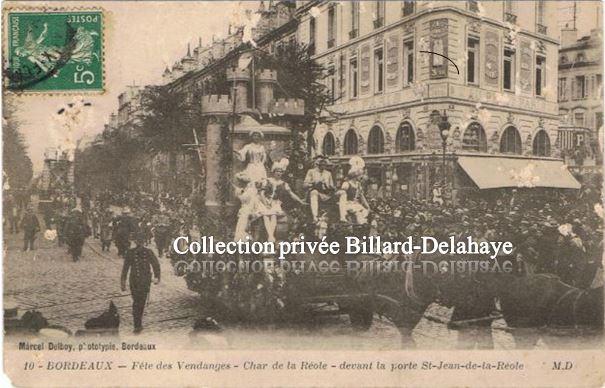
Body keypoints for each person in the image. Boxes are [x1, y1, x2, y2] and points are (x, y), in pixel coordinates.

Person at [120, 232, 161, 334]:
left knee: (140, 302)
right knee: (136, 302)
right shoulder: (130, 252)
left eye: (141, 241)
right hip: (135, 281)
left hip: (144, 281)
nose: (139, 243)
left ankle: (138, 324)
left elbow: (156, 265)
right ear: (135, 241)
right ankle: (137, 325)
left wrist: (157, 277)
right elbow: (125, 268)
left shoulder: (148, 252)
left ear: (143, 242)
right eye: (138, 241)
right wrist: (123, 282)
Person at [258, 159, 305, 242]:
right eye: (277, 171)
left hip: (275, 203)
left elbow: (291, 194)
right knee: (265, 215)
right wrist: (266, 203)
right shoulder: (267, 181)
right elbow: (261, 194)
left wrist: (300, 201)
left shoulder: (284, 184)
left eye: (281, 172)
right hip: (264, 201)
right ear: (273, 172)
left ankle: (270, 237)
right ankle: (271, 236)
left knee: (273, 215)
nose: (279, 173)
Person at [303, 155, 335, 223]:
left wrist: (329, 187)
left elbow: (331, 185)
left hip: (325, 193)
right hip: (314, 193)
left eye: (324, 165)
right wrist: (314, 183)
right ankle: (315, 216)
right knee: (314, 192)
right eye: (321, 165)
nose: (323, 167)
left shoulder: (328, 173)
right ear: (318, 164)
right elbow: (305, 185)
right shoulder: (311, 172)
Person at [337, 159, 370, 224]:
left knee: (365, 212)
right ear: (355, 175)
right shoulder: (347, 184)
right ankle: (359, 224)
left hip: (355, 204)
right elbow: (341, 195)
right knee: (358, 214)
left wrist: (368, 207)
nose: (361, 177)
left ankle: (362, 224)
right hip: (348, 204)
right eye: (360, 175)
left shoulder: (358, 184)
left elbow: (362, 197)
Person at [233, 172, 262, 242]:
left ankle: (245, 239)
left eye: (242, 182)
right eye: (240, 182)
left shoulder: (250, 190)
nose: (241, 183)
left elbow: (245, 198)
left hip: (249, 208)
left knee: (244, 222)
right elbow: (240, 198)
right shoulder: (244, 189)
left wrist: (240, 193)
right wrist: (239, 192)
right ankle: (241, 240)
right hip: (244, 208)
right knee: (241, 223)